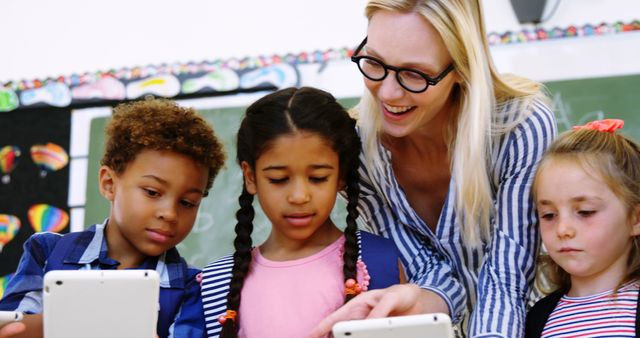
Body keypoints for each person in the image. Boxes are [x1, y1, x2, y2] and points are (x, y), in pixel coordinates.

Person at [310, 1, 557, 337]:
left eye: (415, 73)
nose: (388, 91)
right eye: (375, 62)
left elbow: (507, 280)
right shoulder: (358, 151)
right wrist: (413, 299)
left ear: (461, 68)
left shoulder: (517, 126)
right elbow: (429, 273)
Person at [0, 98, 226, 338]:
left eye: (187, 203)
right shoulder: (46, 251)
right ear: (109, 184)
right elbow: (12, 327)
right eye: (152, 192)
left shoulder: (194, 288)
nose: (169, 213)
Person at [199, 87, 404, 338]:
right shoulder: (219, 283)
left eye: (318, 178)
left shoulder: (384, 259)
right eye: (278, 179)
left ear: (340, 176)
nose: (299, 196)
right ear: (250, 177)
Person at [525, 119, 640, 337]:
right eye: (549, 215)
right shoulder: (536, 319)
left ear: (635, 219)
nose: (563, 229)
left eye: (585, 212)